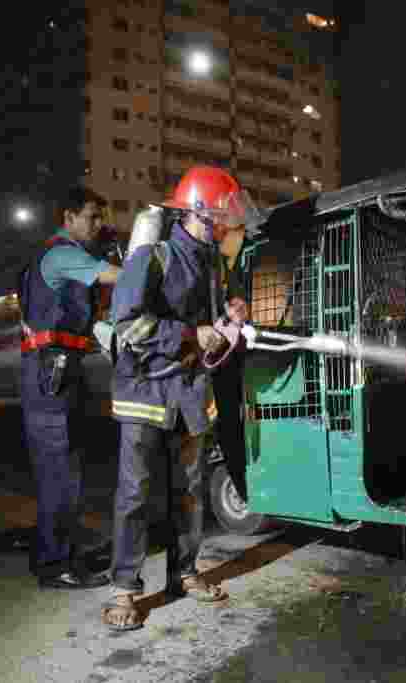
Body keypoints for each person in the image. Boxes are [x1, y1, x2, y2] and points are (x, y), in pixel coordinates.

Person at [101, 166, 256, 631]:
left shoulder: (212, 261)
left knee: (188, 491)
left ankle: (184, 573)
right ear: (199, 211)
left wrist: (231, 312)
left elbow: (216, 315)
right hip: (145, 390)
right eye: (223, 214)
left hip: (188, 391)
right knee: (135, 492)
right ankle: (125, 589)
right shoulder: (153, 257)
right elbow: (129, 324)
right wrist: (192, 333)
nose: (229, 223)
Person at [18, 186, 121, 589]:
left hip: (61, 369)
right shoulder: (61, 254)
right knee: (59, 472)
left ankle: (62, 556)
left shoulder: (68, 257)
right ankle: (55, 565)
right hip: (50, 373)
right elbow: (115, 276)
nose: (98, 225)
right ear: (69, 217)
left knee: (68, 469)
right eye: (92, 217)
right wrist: (151, 260)